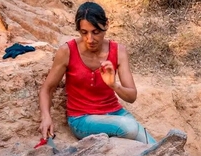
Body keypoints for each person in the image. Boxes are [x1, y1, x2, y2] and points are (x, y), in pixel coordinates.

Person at [38, 2, 156, 144]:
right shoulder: (67, 51)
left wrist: (113, 85)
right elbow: (47, 88)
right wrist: (46, 117)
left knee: (155, 146)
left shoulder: (119, 51)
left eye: (96, 32)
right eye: (84, 32)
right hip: (82, 119)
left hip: (115, 113)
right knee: (130, 127)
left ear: (106, 25)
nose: (90, 39)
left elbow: (131, 97)